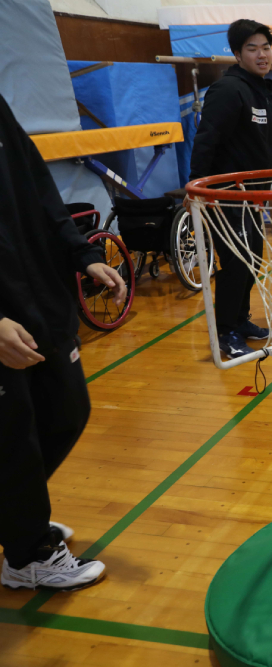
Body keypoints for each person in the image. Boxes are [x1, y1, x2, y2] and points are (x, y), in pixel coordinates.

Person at [0, 92, 128, 591]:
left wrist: (82, 255)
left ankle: (18, 516)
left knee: (67, 412)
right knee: (14, 442)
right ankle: (27, 555)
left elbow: (39, 191)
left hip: (42, 302)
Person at [189, 19, 272, 360]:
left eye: (266, 47)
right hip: (227, 196)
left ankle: (240, 320)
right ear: (237, 54)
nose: (262, 54)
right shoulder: (228, 90)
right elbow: (206, 140)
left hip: (256, 198)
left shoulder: (266, 94)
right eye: (253, 49)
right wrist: (196, 187)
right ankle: (226, 330)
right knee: (236, 262)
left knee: (253, 260)